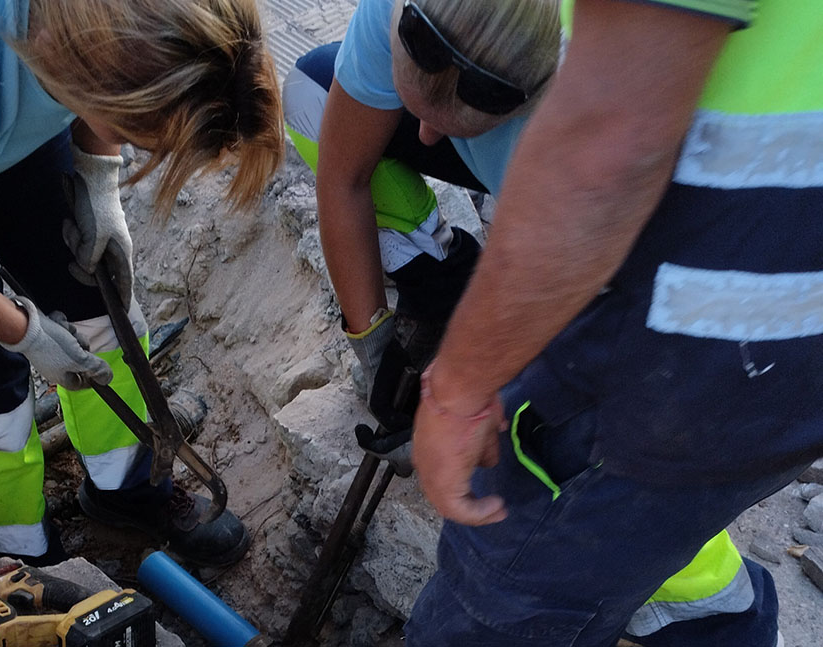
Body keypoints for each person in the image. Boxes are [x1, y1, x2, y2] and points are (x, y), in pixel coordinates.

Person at [283, 0, 821, 644]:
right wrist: (373, 340)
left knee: (521, 559)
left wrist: (457, 395)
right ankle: (441, 277)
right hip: (734, 258)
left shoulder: (591, 142)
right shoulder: (401, 15)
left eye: (456, 122)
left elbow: (590, 197)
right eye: (415, 105)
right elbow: (344, 174)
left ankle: (707, 611)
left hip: (740, 325)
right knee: (319, 84)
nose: (424, 135)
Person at [0, 0, 283, 567]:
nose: (131, 144)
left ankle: (126, 487)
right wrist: (20, 332)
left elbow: (128, 55)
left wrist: (99, 179)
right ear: (92, 69)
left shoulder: (99, 30)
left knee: (96, 297)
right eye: (130, 130)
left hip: (5, 94)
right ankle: (19, 556)